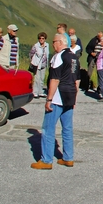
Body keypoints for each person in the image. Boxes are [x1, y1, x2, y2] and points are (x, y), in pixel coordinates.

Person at [31, 34, 77, 169]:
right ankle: (68, 157)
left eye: (54, 41)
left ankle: (46, 160)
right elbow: (77, 80)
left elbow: (55, 79)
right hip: (70, 96)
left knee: (48, 128)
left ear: (61, 42)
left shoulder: (59, 57)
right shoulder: (74, 57)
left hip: (58, 97)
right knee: (67, 128)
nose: (53, 44)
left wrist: (49, 99)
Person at [29, 32, 50, 98]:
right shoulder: (36, 46)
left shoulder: (47, 45)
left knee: (42, 78)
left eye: (43, 38)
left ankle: (41, 91)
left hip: (44, 65)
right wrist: (34, 61)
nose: (41, 40)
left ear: (45, 39)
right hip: (37, 64)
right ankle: (35, 92)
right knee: (37, 78)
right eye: (40, 38)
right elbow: (31, 53)